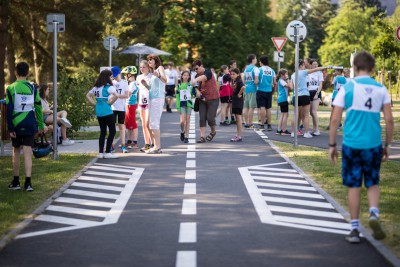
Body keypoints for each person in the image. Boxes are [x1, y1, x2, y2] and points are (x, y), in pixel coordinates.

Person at [329, 51, 394, 244]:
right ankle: (374, 213)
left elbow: (334, 118)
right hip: (373, 144)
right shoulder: (381, 88)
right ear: (373, 68)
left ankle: (355, 229)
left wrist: (332, 144)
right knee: (373, 182)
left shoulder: (348, 88)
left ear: (354, 68)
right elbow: (389, 120)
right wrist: (388, 144)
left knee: (354, 185)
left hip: (351, 144)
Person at [6, 62, 45, 191]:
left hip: (16, 124)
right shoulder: (33, 88)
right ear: (28, 73)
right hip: (29, 122)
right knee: (28, 152)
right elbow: (38, 107)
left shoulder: (11, 88)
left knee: (16, 151)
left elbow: (9, 109)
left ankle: (16, 182)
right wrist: (40, 124)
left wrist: (10, 128)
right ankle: (28, 183)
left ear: (16, 73)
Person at [290, 60, 330, 138]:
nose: (305, 66)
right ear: (301, 65)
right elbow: (316, 69)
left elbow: (292, 87)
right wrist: (325, 67)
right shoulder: (304, 72)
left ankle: (293, 132)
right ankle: (306, 133)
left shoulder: (293, 75)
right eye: (304, 65)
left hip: (296, 95)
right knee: (306, 115)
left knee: (295, 114)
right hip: (304, 95)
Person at [86, 69, 120, 159]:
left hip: (99, 111)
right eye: (111, 76)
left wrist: (94, 103)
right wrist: (111, 103)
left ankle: (100, 153)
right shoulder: (109, 87)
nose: (112, 78)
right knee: (112, 131)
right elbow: (117, 95)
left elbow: (87, 95)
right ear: (107, 77)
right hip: (107, 111)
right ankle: (108, 152)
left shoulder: (96, 88)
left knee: (103, 132)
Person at [191, 59, 220, 143]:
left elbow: (204, 77)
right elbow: (196, 88)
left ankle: (213, 132)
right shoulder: (196, 76)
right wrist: (199, 94)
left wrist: (196, 80)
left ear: (201, 66)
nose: (196, 71)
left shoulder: (208, 72)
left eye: (197, 68)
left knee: (210, 118)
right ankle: (202, 137)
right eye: (194, 69)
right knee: (202, 118)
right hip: (202, 99)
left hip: (213, 98)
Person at [144, 54, 167, 154]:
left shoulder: (160, 68)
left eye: (151, 59)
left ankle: (157, 147)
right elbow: (151, 88)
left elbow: (165, 80)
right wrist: (145, 85)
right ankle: (156, 146)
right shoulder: (151, 73)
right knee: (150, 123)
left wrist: (158, 75)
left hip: (158, 98)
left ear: (156, 61)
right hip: (152, 99)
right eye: (148, 60)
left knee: (154, 123)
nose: (149, 61)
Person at [111, 66, 129, 153]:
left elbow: (127, 95)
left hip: (121, 108)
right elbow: (109, 95)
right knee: (112, 127)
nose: (115, 77)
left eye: (116, 75)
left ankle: (123, 145)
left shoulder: (124, 83)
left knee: (121, 126)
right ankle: (111, 145)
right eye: (113, 76)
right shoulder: (111, 83)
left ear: (120, 74)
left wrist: (117, 96)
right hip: (112, 108)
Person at [121, 66, 139, 149]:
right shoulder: (133, 83)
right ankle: (129, 141)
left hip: (131, 105)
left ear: (130, 75)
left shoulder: (132, 84)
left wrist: (118, 96)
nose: (124, 76)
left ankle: (135, 142)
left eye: (125, 75)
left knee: (133, 124)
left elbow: (127, 95)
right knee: (128, 123)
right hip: (129, 104)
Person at [136, 60, 152, 152]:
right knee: (143, 124)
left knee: (148, 123)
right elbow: (138, 87)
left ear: (148, 68)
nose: (142, 69)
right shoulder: (138, 77)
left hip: (149, 102)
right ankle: (147, 144)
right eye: (140, 67)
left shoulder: (151, 77)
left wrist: (145, 84)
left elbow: (152, 89)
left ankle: (153, 143)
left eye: (144, 67)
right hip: (141, 102)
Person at [176, 70, 196, 143]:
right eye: (184, 75)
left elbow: (194, 94)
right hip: (181, 104)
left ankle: (187, 136)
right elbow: (177, 97)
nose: (186, 77)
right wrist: (178, 107)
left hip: (189, 104)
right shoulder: (179, 86)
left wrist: (194, 88)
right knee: (182, 121)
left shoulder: (190, 85)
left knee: (188, 121)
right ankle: (182, 131)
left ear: (189, 77)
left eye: (187, 75)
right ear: (182, 76)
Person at [257, 55, 276, 131]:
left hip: (261, 89)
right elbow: (275, 82)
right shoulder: (272, 70)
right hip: (269, 90)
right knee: (268, 108)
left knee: (262, 107)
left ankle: (262, 124)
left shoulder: (259, 69)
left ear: (261, 62)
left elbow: (256, 80)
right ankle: (269, 125)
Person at [307, 59, 324, 136]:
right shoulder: (308, 72)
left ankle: (317, 129)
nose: (315, 66)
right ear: (310, 65)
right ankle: (314, 129)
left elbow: (320, 85)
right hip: (308, 92)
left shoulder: (319, 73)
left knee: (314, 111)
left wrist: (317, 93)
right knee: (310, 112)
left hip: (316, 92)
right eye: (314, 64)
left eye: (316, 64)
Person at [243, 54, 259, 129]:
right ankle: (250, 123)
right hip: (253, 89)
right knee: (251, 108)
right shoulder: (255, 69)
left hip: (246, 89)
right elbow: (256, 81)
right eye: (255, 58)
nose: (256, 60)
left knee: (246, 107)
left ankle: (246, 123)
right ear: (253, 59)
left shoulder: (246, 69)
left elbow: (244, 80)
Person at [230, 68, 245, 142]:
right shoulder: (235, 81)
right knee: (237, 118)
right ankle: (237, 134)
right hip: (235, 101)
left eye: (234, 74)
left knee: (238, 119)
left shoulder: (239, 81)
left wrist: (239, 94)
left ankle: (239, 136)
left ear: (238, 74)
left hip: (238, 101)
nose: (232, 76)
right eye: (231, 74)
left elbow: (243, 87)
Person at [276, 69, 292, 135]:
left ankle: (279, 130)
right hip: (283, 99)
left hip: (282, 99)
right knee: (285, 115)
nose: (286, 75)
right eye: (286, 74)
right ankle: (283, 130)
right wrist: (288, 79)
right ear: (282, 75)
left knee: (282, 114)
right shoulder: (281, 81)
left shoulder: (281, 81)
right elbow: (289, 86)